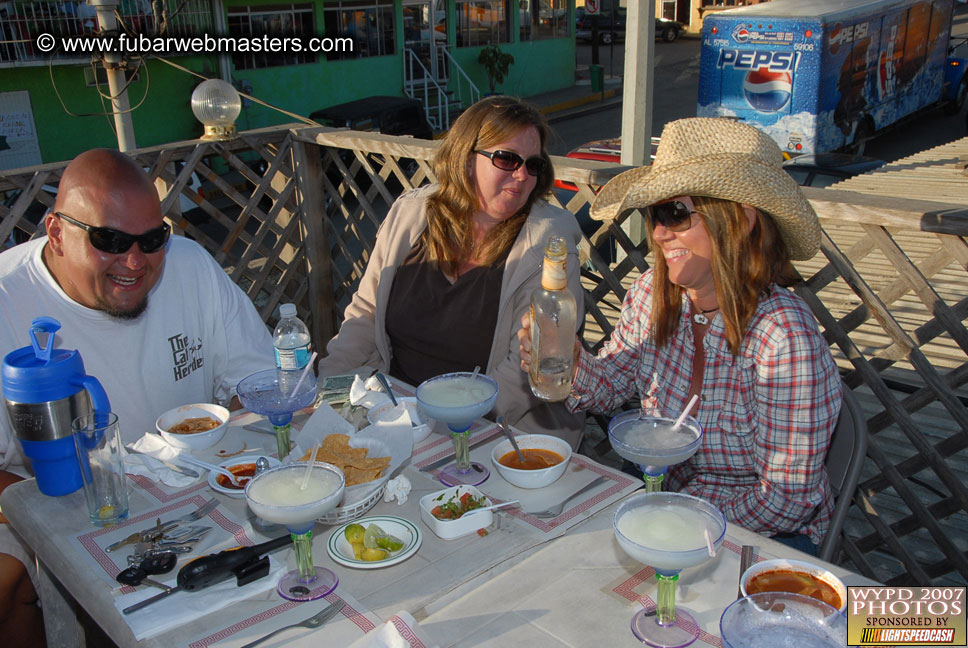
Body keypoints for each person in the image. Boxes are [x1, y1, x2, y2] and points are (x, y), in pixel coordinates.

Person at [519, 118, 842, 554]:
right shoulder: (652, 292)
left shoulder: (783, 339)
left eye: (675, 214)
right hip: (662, 502)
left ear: (741, 220)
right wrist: (569, 361)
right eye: (655, 214)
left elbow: (786, 501)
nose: (658, 232)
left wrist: (672, 518)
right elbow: (612, 385)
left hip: (758, 534)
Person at [0, 149, 274, 645]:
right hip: (50, 497)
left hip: (197, 483)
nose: (133, 262)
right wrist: (51, 517)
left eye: (152, 240)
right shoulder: (6, 299)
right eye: (108, 240)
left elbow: (259, 385)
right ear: (56, 233)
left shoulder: (190, 266)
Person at [318, 96, 586, 448]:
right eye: (507, 159)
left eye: (533, 164)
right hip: (398, 410)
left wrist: (444, 430)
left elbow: (523, 373)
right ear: (466, 158)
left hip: (496, 430)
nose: (522, 175)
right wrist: (328, 391)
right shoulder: (411, 215)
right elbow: (365, 316)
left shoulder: (548, 244)